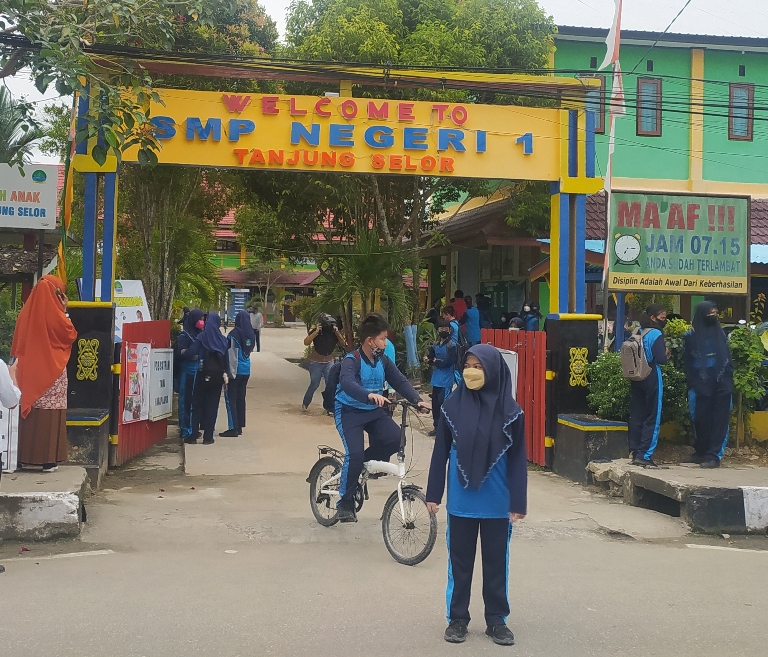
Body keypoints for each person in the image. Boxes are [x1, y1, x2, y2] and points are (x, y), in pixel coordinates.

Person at [426, 345, 527, 645]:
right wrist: (434, 494)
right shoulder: (451, 407)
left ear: (493, 371)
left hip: (497, 502)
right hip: (462, 502)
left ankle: (497, 620)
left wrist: (518, 502)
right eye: (468, 366)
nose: (471, 372)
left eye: (479, 367)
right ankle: (457, 619)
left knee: (496, 564)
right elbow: (441, 452)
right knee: (459, 564)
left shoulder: (512, 413)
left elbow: (518, 459)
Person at [334, 313, 429, 522]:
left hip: (373, 411)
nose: (386, 344)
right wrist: (368, 395)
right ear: (370, 341)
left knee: (395, 439)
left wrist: (417, 400)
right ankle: (345, 503)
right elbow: (348, 383)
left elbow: (399, 381)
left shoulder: (382, 361)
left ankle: (357, 467)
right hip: (349, 411)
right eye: (383, 339)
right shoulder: (352, 360)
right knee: (354, 454)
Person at [11, 275, 77, 473]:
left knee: (26, 408)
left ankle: (19, 458)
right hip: (52, 370)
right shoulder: (56, 314)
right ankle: (48, 460)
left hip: (26, 371)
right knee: (50, 412)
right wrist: (64, 311)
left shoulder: (25, 313)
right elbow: (70, 334)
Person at [683, 301, 734, 468]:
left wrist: (727, 379)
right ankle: (701, 452)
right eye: (710, 313)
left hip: (721, 381)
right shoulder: (690, 336)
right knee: (700, 418)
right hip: (700, 382)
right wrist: (693, 382)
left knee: (720, 420)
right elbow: (688, 361)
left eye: (715, 313)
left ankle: (714, 455)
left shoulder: (720, 334)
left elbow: (727, 359)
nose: (713, 316)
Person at [628, 304, 668, 468]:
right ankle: (644, 454)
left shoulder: (637, 332)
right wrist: (666, 353)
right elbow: (661, 359)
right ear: (653, 317)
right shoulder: (655, 333)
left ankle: (635, 451)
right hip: (651, 375)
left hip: (636, 376)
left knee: (638, 414)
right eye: (662, 318)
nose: (664, 320)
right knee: (652, 415)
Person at [187, 313, 230, 445]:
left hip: (201, 375)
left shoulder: (202, 337)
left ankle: (193, 435)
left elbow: (191, 352)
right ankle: (208, 437)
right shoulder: (223, 340)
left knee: (197, 405)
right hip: (217, 378)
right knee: (212, 406)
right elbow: (226, 362)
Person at [221, 310, 256, 438]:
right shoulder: (251, 334)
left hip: (235, 370)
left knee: (231, 398)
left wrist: (226, 370)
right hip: (246, 370)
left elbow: (229, 353)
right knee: (241, 398)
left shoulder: (233, 335)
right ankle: (240, 425)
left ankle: (233, 428)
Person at [302, 314, 346, 411]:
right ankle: (305, 403)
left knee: (330, 385)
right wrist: (316, 332)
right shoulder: (317, 331)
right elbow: (306, 342)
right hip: (316, 362)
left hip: (329, 362)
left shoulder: (334, 332)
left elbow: (343, 343)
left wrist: (337, 332)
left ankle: (330, 407)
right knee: (314, 383)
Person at [176, 309, 205, 442]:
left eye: (203, 319)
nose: (202, 322)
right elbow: (182, 352)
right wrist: (190, 354)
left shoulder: (200, 334)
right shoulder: (184, 336)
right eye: (200, 319)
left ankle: (193, 429)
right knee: (185, 402)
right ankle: (185, 430)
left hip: (198, 372)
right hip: (187, 372)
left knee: (195, 402)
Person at [427, 319, 457, 437]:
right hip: (436, 379)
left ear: (449, 330)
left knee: (444, 404)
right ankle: (436, 426)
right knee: (435, 405)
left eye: (446, 328)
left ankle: (445, 428)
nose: (443, 330)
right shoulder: (435, 344)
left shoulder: (452, 345)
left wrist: (436, 362)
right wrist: (432, 360)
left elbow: (450, 362)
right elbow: (430, 358)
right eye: (441, 328)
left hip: (446, 380)